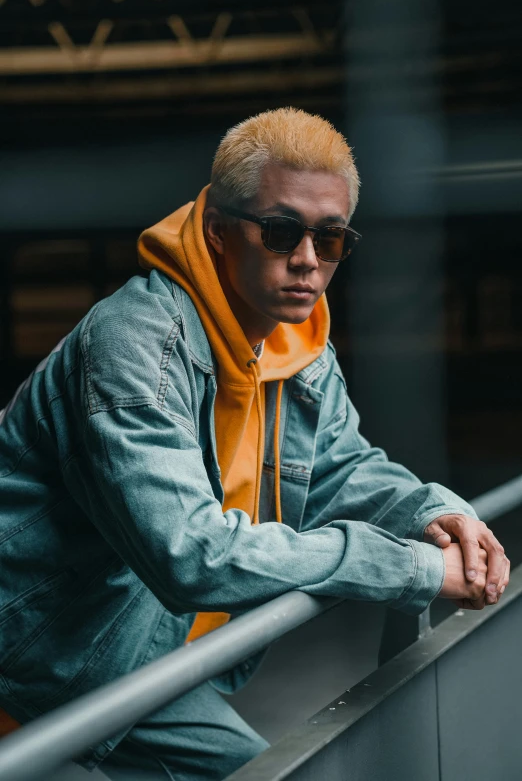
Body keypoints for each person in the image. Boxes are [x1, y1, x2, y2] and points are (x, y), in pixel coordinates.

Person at [0, 107, 509, 780]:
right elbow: (189, 553)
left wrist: (436, 514)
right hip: (49, 654)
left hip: (147, 649)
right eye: (280, 232)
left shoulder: (296, 344)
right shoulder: (133, 344)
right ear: (218, 232)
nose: (307, 260)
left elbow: (340, 468)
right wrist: (410, 569)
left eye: (330, 239)